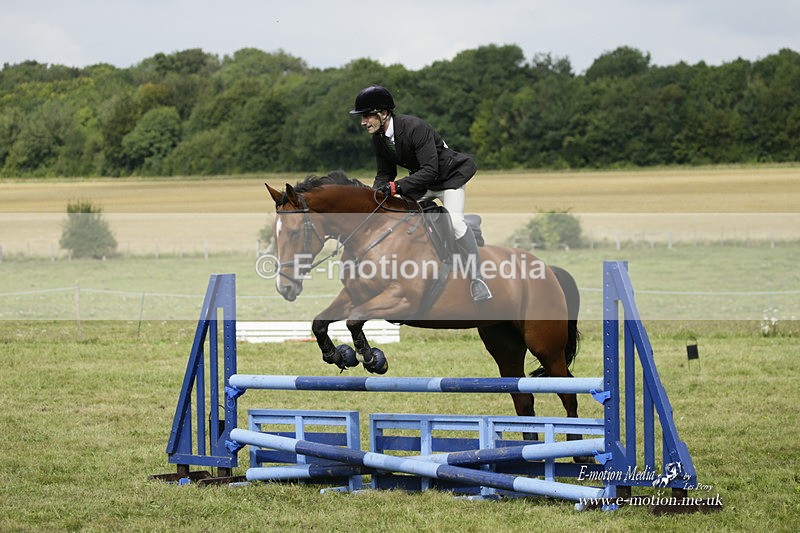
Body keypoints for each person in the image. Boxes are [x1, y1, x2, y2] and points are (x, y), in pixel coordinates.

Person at [349, 85, 491, 303]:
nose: (363, 122)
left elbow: (430, 170)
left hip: (448, 179)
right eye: (362, 117)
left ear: (383, 113)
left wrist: (396, 188)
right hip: (422, 181)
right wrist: (375, 197)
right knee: (391, 213)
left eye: (367, 116)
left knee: (454, 223)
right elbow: (385, 173)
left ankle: (478, 279)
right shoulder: (379, 137)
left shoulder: (415, 127)